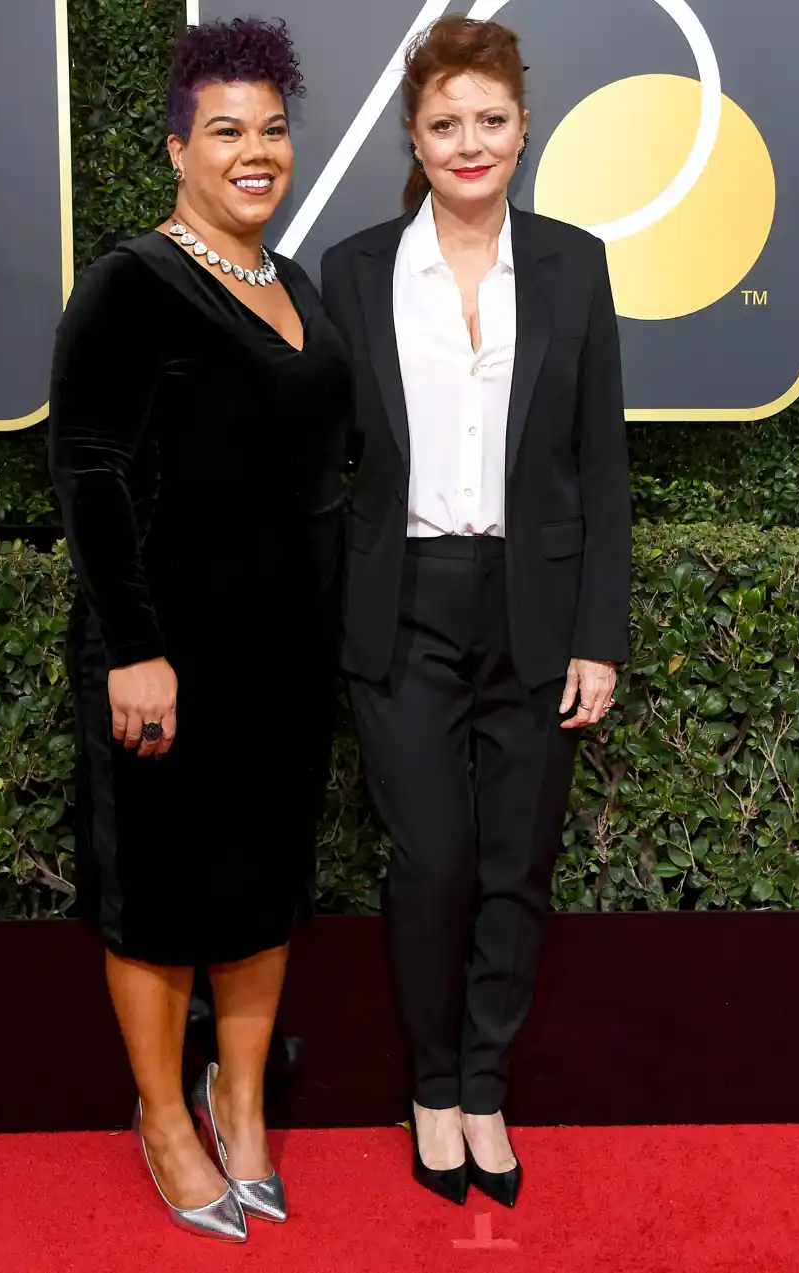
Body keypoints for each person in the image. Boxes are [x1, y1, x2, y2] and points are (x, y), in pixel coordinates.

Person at [322, 15, 631, 1208]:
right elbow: (322, 463)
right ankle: (431, 1085)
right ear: (413, 133)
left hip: (538, 605)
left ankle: (488, 1086)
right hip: (400, 604)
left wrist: (600, 632)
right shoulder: (352, 273)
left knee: (517, 862)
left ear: (522, 128)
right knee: (433, 860)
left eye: (490, 121)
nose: (469, 142)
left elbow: (601, 462)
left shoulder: (574, 262)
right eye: (445, 123)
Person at [48, 18, 349, 1240]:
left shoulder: (292, 281)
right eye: (227, 130)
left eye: (272, 128)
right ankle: (163, 1117)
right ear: (179, 148)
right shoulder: (131, 280)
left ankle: (244, 1106)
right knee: (163, 896)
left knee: (262, 887)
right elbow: (89, 465)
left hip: (285, 657)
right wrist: (134, 646)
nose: (255, 152)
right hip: (166, 656)